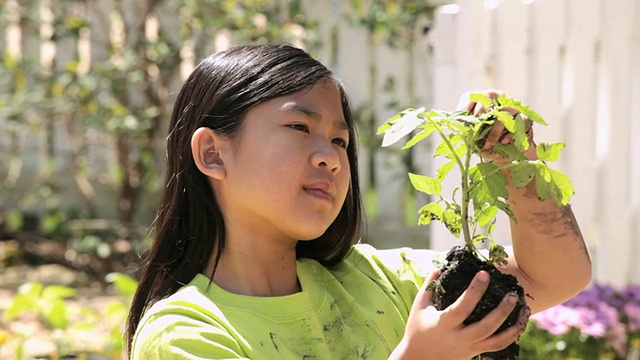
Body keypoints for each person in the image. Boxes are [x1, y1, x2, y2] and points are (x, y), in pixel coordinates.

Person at [126, 43, 592, 359]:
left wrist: (515, 164)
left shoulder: (379, 281)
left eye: (340, 141)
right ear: (213, 153)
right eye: (300, 128)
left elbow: (551, 276)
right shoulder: (186, 333)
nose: (330, 157)